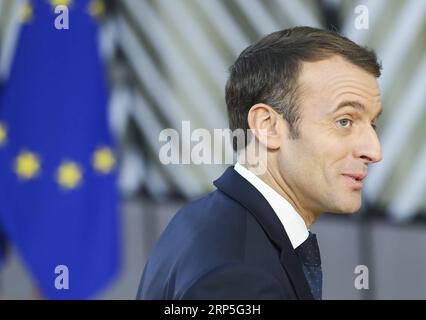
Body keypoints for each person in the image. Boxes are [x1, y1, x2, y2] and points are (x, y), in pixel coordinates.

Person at [137, 26, 383, 300]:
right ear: (268, 127)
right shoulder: (238, 278)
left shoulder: (204, 220)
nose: (374, 151)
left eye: (372, 124)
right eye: (344, 121)